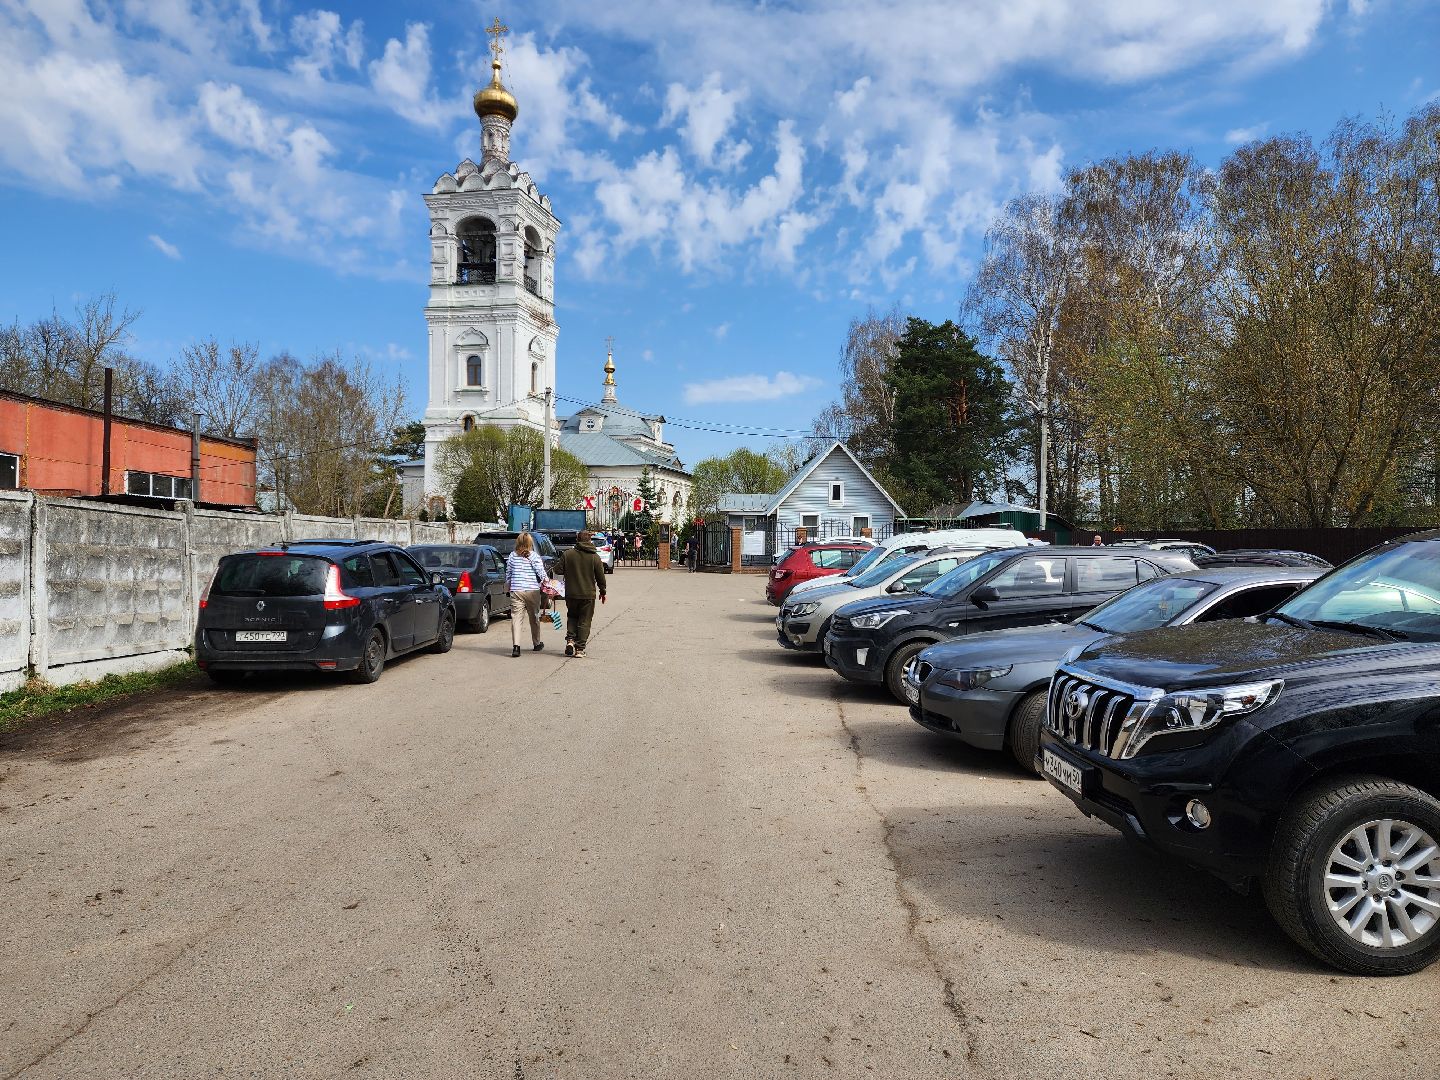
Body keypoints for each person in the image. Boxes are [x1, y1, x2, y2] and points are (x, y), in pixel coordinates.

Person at [557, 529, 607, 658]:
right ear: (589, 541)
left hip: (571, 593)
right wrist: (603, 591)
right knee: (584, 621)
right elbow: (600, 577)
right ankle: (579, 649)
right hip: (588, 594)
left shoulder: (568, 554)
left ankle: (570, 640)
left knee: (572, 616)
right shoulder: (594, 557)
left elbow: (558, 569)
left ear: (577, 540)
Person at [504, 531, 548, 657]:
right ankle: (536, 643)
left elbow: (509, 574)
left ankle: (516, 647)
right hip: (532, 591)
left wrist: (509, 587)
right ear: (530, 543)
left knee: (516, 618)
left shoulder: (512, 555)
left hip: (517, 590)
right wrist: (548, 583)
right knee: (534, 617)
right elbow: (541, 572)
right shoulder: (534, 556)